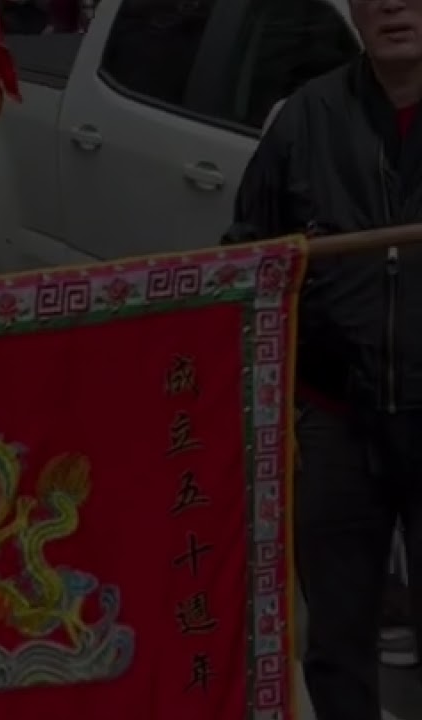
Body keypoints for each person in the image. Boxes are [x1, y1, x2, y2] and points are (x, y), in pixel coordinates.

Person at [223, 2, 422, 716]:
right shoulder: (306, 120)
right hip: (335, 423)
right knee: (337, 646)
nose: (394, 7)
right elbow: (242, 253)